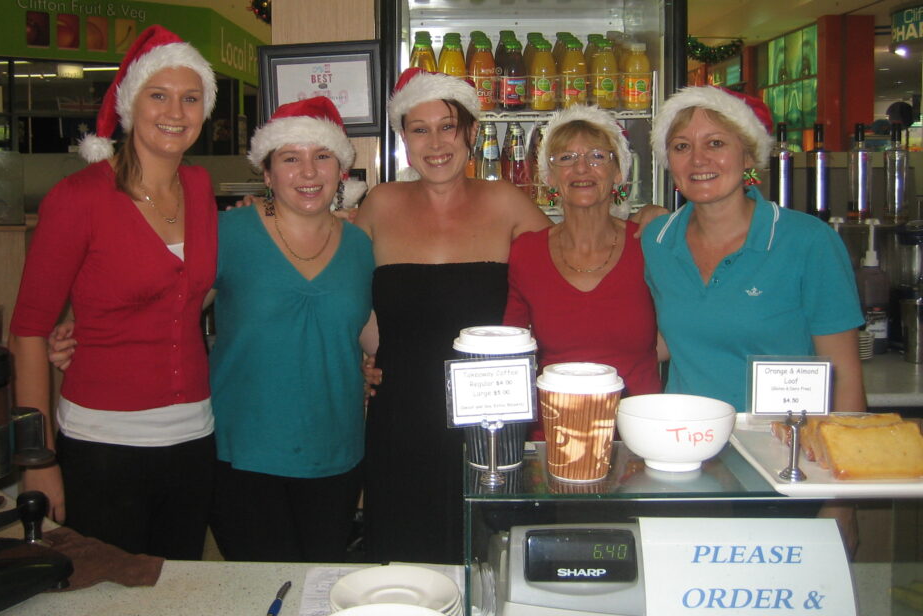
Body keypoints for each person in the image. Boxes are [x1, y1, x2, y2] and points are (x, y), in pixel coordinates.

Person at [8, 25, 219, 559]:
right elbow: (29, 331)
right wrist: (38, 460)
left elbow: (185, 296)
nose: (176, 110)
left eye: (190, 98)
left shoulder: (199, 188)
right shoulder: (78, 198)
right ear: (130, 104)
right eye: (159, 95)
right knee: (108, 593)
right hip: (103, 444)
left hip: (193, 437)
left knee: (179, 589)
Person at [355, 68, 552, 564]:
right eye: (420, 129)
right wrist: (359, 358)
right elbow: (346, 294)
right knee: (404, 553)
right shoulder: (380, 203)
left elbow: (567, 268)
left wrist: (636, 224)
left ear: (469, 133)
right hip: (402, 413)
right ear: (404, 139)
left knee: (487, 554)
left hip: (489, 416)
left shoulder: (506, 201)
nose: (435, 142)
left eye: (447, 126)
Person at [208, 96, 375, 563]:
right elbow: (169, 313)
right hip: (243, 452)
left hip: (336, 452)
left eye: (321, 156)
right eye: (290, 158)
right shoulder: (227, 233)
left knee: (318, 585)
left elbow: (371, 333)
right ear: (267, 173)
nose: (308, 172)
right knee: (261, 591)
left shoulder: (361, 245)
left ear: (341, 170)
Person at [643, 85, 865, 413]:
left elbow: (844, 376)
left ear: (748, 156)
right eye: (681, 147)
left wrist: (848, 455)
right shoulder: (657, 239)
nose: (698, 159)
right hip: (686, 440)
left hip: (783, 448)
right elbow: (662, 342)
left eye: (715, 143)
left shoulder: (808, 241)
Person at [503, 106, 661, 440]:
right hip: (552, 438)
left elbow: (684, 333)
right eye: (566, 157)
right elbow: (510, 350)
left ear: (619, 171)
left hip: (638, 437)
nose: (581, 167)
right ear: (549, 176)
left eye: (597, 156)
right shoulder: (526, 252)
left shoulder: (649, 245)